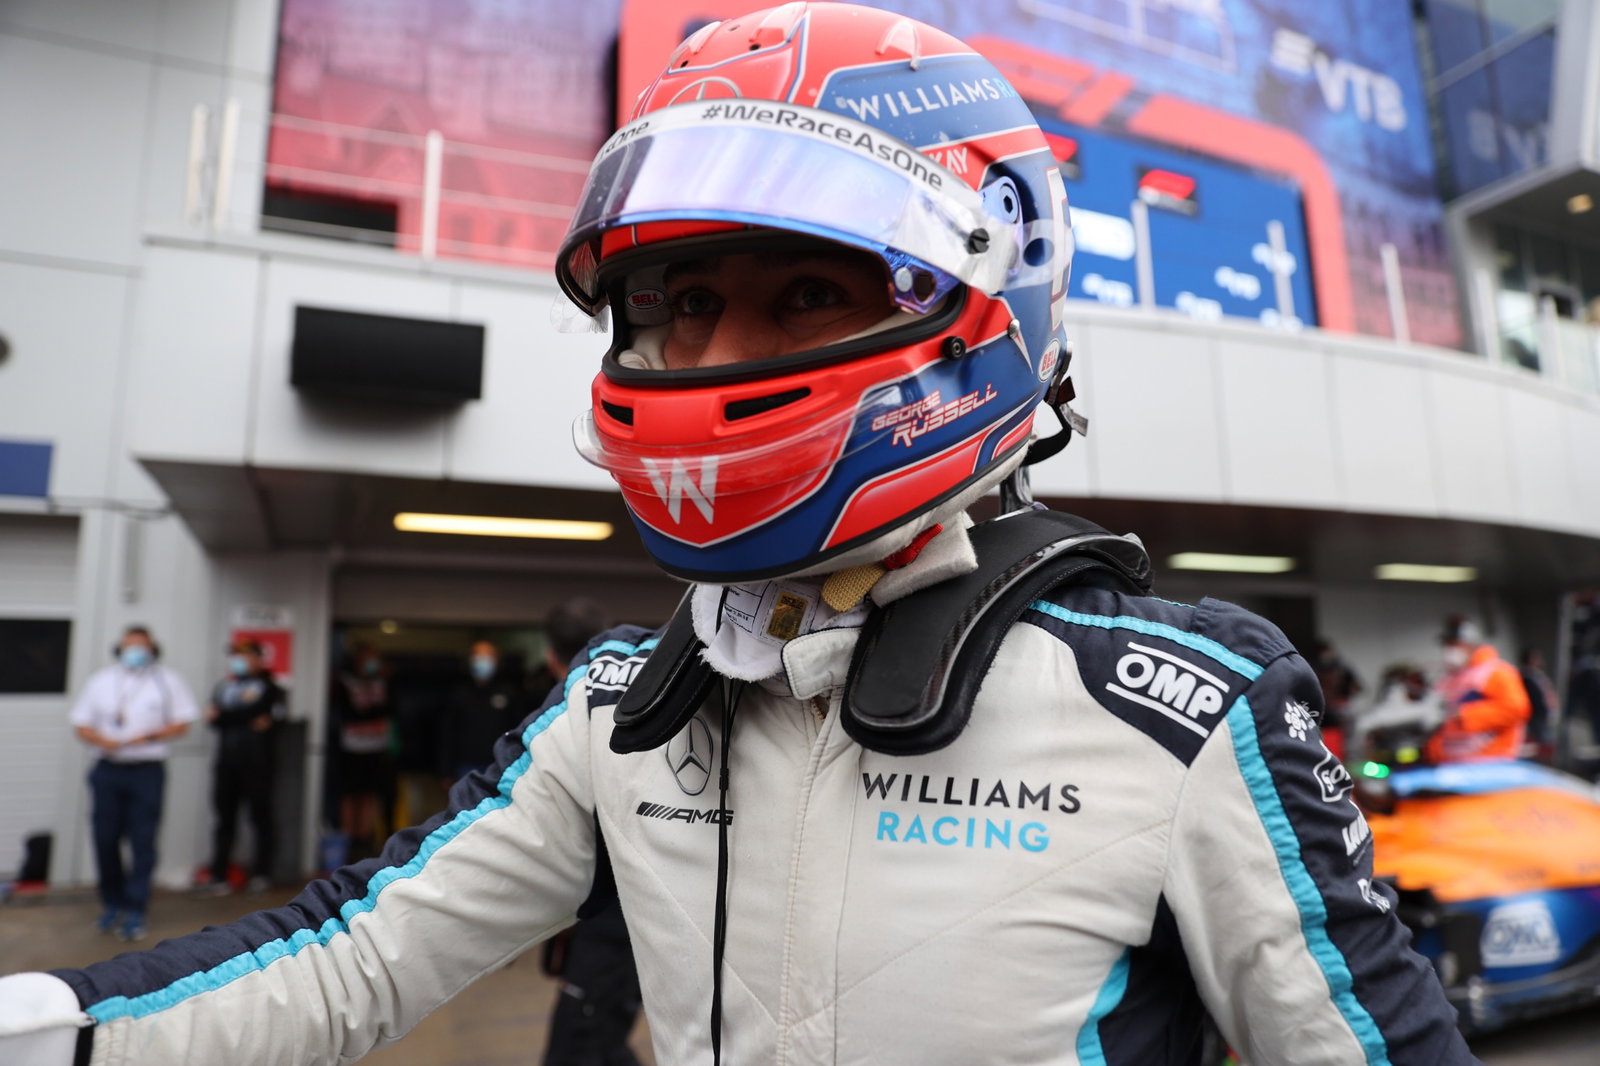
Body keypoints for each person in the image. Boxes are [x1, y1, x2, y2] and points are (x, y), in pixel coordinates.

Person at [1, 6, 1478, 1063]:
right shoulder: (619, 707)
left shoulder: (1181, 705)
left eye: (809, 293)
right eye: (683, 303)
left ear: (986, 304)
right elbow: (350, 959)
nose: (717, 358)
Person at [534, 598, 644, 1066]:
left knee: (580, 1048)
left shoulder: (557, 730)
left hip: (614, 922)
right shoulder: (651, 708)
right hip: (608, 921)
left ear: (552, 660)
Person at [67, 625, 199, 942]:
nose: (135, 651)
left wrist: (148, 737)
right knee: (105, 837)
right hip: (108, 769)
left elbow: (183, 723)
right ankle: (113, 903)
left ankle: (137, 907)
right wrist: (102, 740)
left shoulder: (167, 681)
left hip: (146, 771)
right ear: (119, 649)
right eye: (129, 646)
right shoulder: (101, 681)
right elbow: (81, 724)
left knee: (143, 839)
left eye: (141, 646)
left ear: (153, 649)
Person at [196, 638, 286, 894]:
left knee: (261, 818)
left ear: (259, 659)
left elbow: (270, 717)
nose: (239, 660)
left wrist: (227, 716)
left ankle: (262, 873)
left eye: (245, 655)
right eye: (235, 655)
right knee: (224, 819)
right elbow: (216, 719)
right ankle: (219, 875)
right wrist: (243, 717)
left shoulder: (270, 687)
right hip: (227, 763)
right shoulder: (224, 686)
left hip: (258, 764)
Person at [1426, 614, 1532, 764]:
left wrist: (1463, 715)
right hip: (1451, 764)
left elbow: (1516, 709)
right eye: (1447, 644)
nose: (1448, 649)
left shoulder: (1496, 672)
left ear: (1470, 644)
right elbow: (1439, 723)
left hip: (1490, 763)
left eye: (1454, 643)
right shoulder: (1449, 678)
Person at [328, 642, 395, 858]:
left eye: (374, 659)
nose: (371, 664)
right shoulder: (346, 683)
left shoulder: (383, 684)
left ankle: (364, 838)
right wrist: (372, 711)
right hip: (350, 749)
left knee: (369, 794)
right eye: (367, 659)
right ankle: (347, 840)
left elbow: (392, 709)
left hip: (376, 748)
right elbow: (350, 713)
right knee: (350, 794)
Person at [440, 639, 527, 786]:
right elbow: (447, 733)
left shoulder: (509, 693)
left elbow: (518, 730)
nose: (482, 661)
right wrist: (445, 771)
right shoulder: (459, 694)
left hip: (500, 766)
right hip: (465, 767)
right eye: (478, 656)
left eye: (488, 656)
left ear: (497, 660)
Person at [1311, 637, 1363, 760]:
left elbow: (1358, 687)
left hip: (1343, 709)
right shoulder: (1314, 668)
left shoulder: (1343, 667)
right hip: (1325, 712)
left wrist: (1343, 697)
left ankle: (1351, 759)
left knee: (1352, 738)